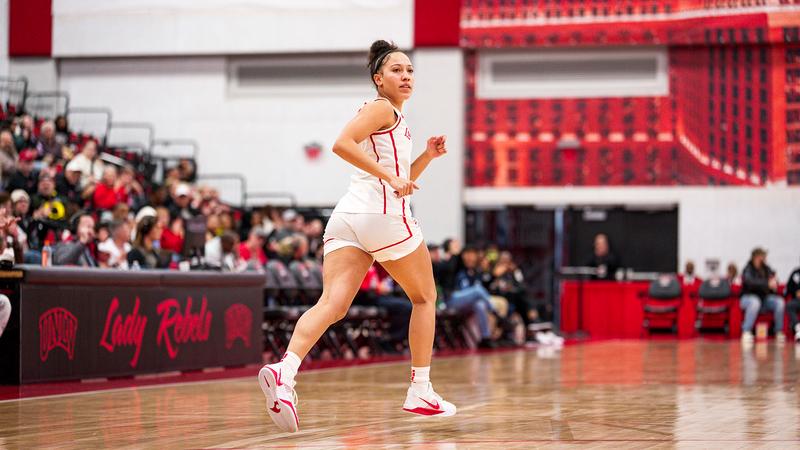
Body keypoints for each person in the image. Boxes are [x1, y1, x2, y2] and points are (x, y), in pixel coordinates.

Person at [258, 40, 454, 433]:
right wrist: (392, 177)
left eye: (410, 70)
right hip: (380, 214)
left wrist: (427, 158)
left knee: (333, 303)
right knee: (425, 297)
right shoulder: (381, 108)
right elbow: (341, 145)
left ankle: (285, 371)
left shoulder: (392, 117)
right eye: (397, 70)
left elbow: (399, 180)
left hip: (350, 216)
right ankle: (420, 389)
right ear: (378, 79)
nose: (406, 76)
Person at [740, 248, 785, 345]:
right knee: (755, 302)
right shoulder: (748, 269)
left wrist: (774, 282)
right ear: (756, 257)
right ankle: (746, 331)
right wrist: (767, 284)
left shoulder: (766, 268)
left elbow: (772, 280)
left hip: (764, 298)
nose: (764, 259)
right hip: (748, 298)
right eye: (762, 256)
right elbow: (750, 283)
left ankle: (778, 331)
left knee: (779, 302)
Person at [785, 265, 800, 343]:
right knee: (790, 305)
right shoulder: (796, 273)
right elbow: (788, 288)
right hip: (797, 300)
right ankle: (798, 327)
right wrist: (796, 291)